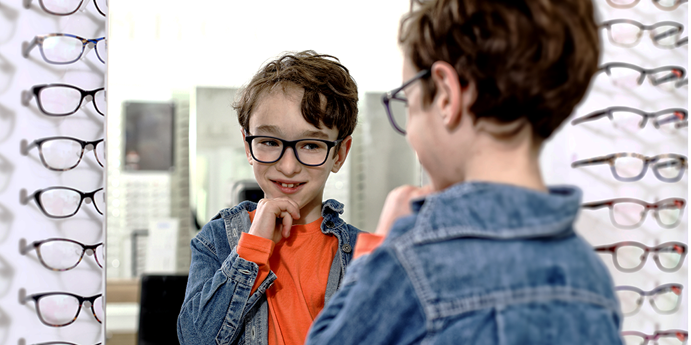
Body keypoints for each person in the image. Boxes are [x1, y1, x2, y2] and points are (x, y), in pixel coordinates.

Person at [306, 0, 624, 344]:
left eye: (408, 102)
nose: (410, 128)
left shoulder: (415, 259)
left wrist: (380, 245)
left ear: (445, 95)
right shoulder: (589, 276)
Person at [177, 51, 362, 345]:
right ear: (248, 147)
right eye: (269, 142)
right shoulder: (217, 240)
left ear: (339, 154)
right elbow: (195, 339)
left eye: (311, 145)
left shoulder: (362, 254)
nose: (288, 166)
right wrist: (251, 250)